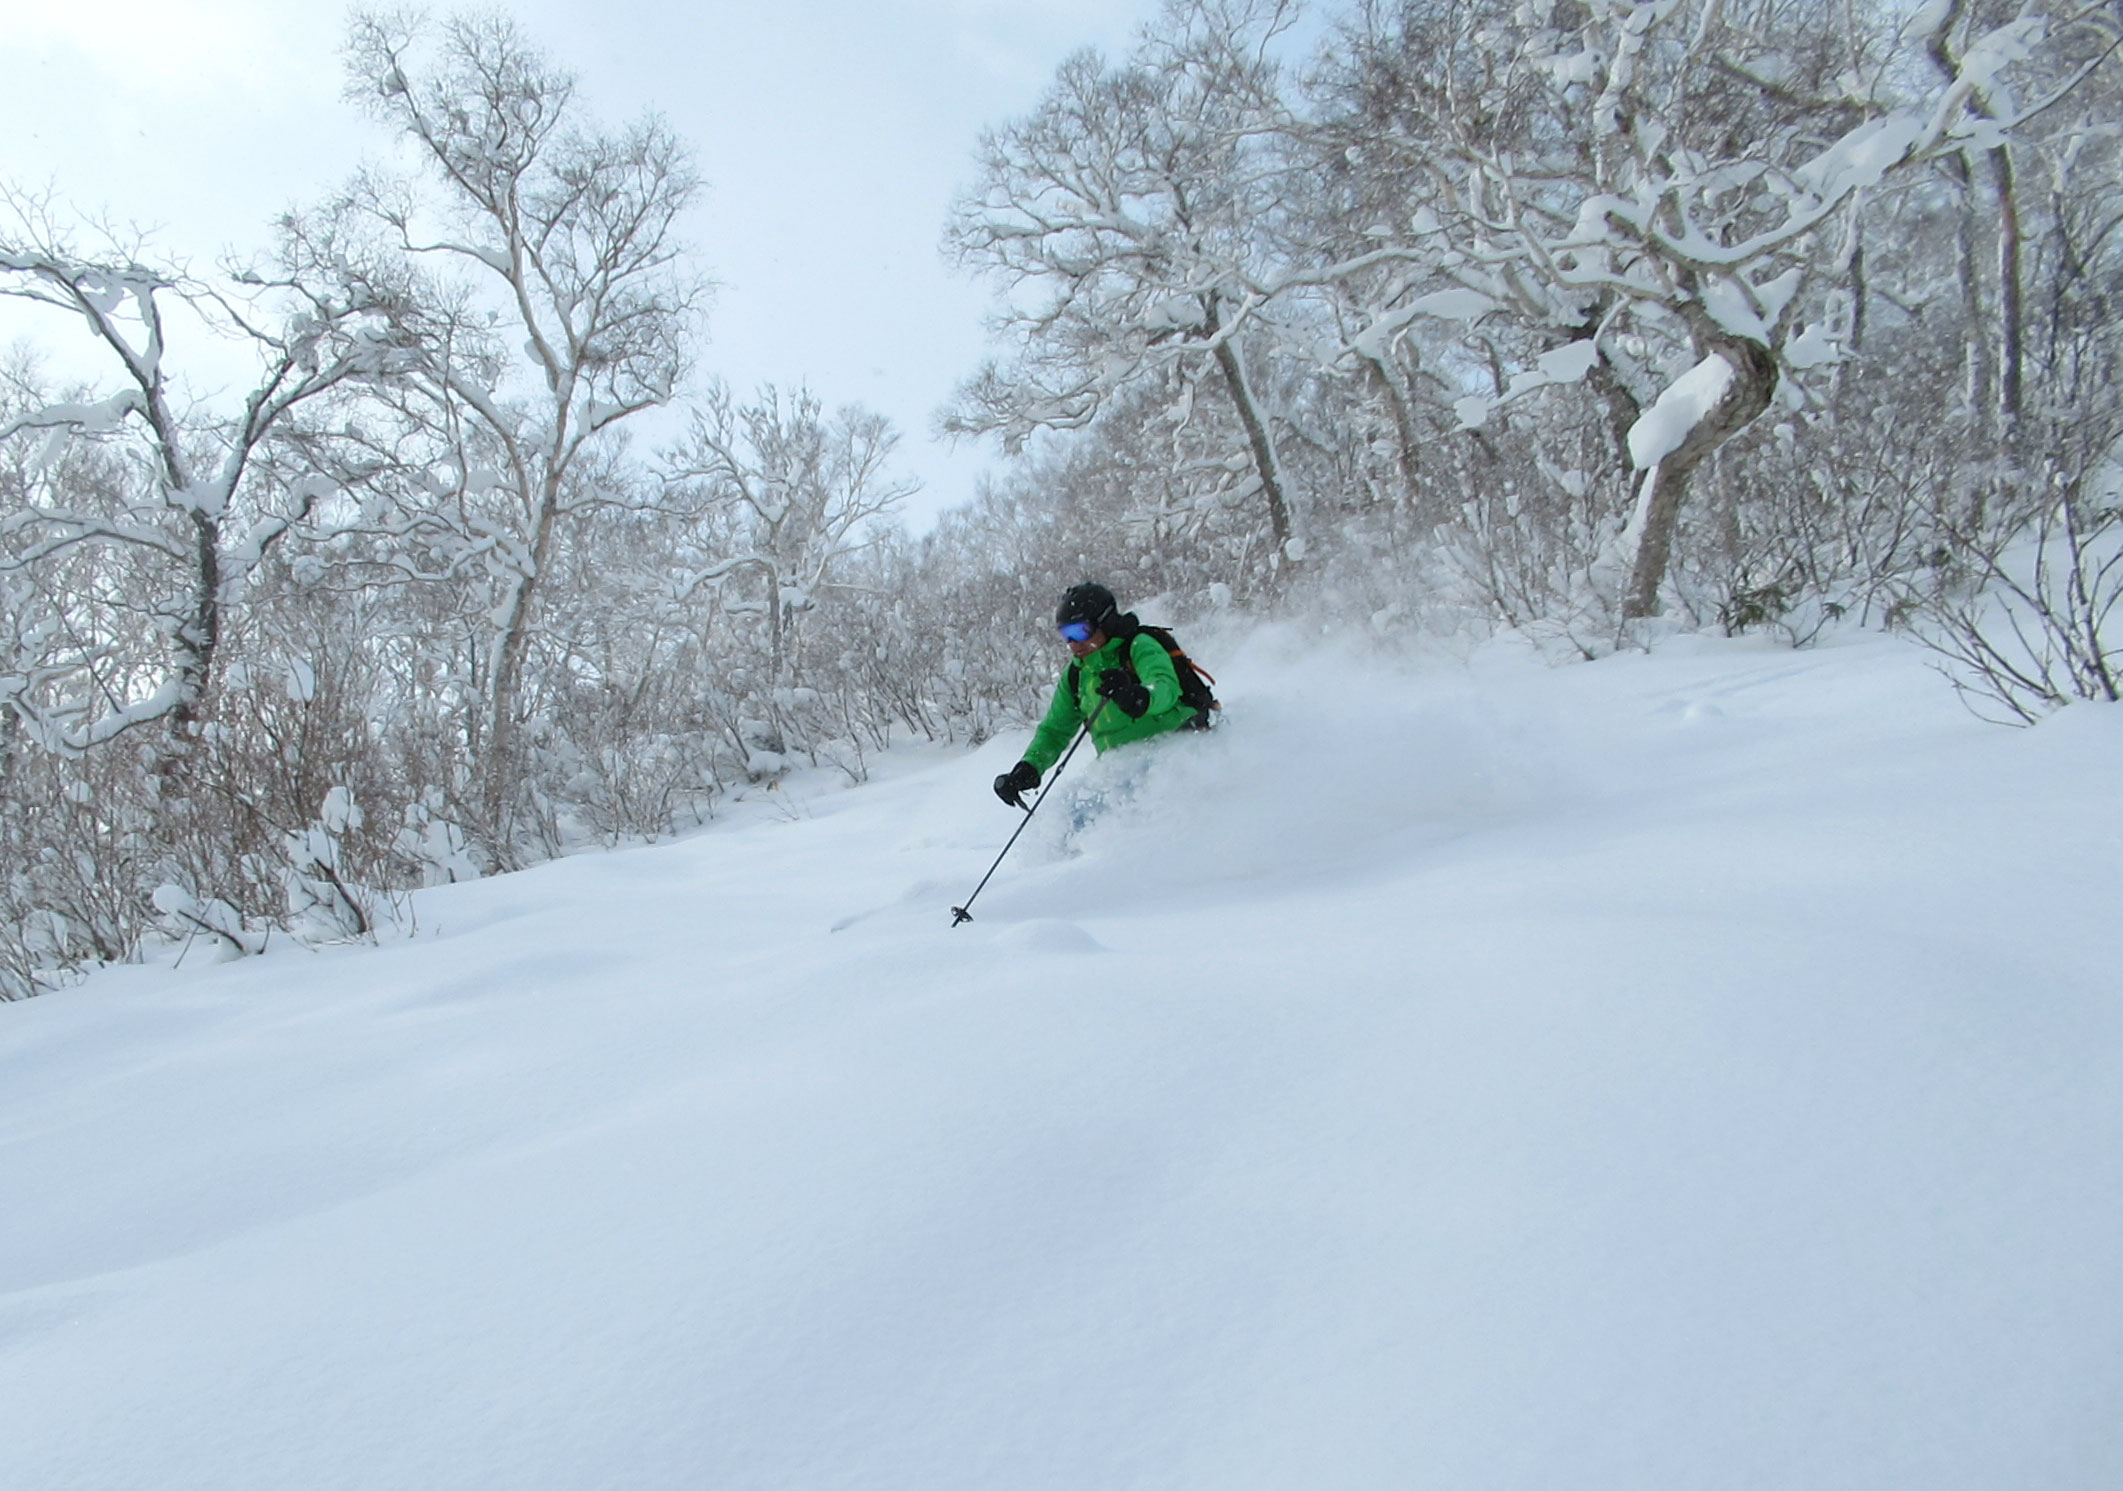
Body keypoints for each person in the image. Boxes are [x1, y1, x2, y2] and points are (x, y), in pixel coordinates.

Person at [993, 582, 1207, 808]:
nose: (1073, 643)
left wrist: (1138, 697)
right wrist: (1029, 768)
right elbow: (1055, 730)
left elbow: (1165, 687)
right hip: (1123, 774)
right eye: (1066, 635)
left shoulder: (1138, 646)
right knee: (1075, 827)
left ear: (1106, 622)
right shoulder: (1077, 674)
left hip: (1175, 755)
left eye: (1079, 631)